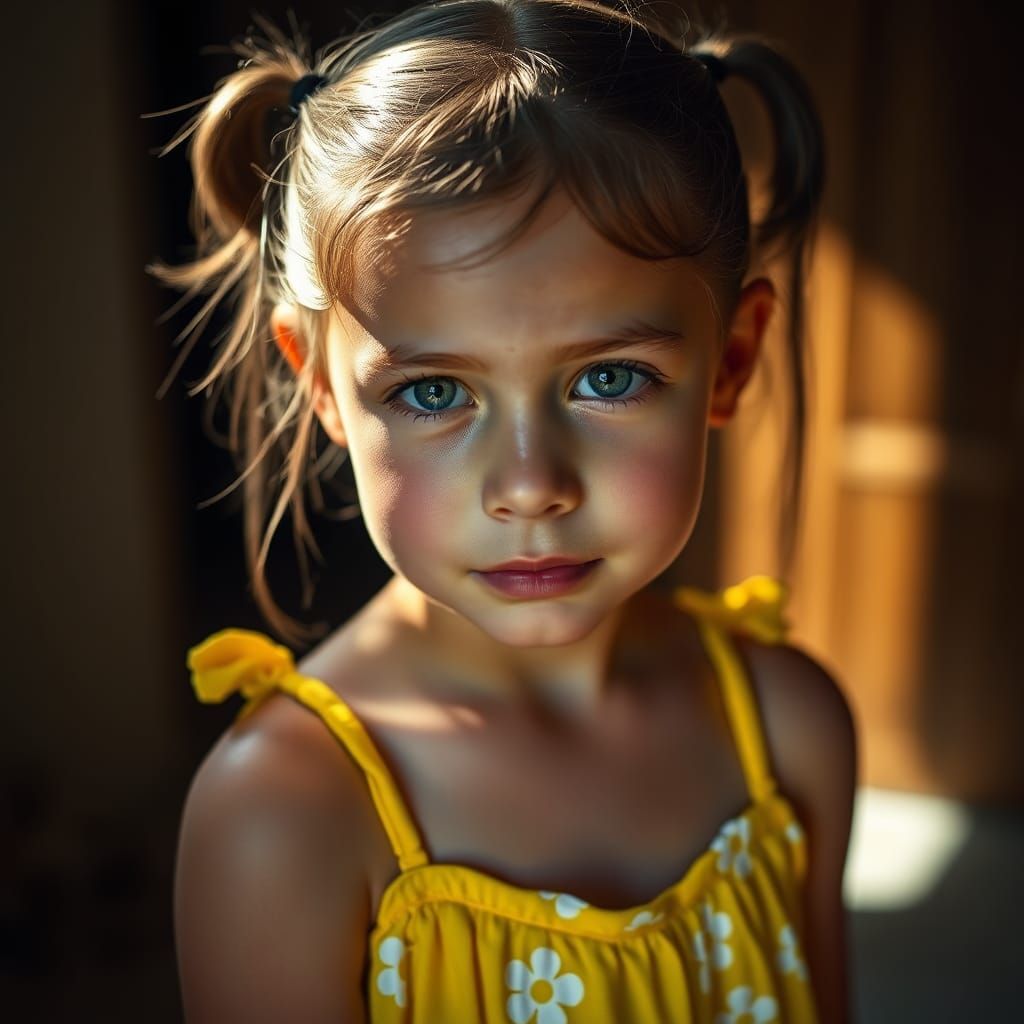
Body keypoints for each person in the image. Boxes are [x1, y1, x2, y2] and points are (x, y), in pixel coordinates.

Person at [153, 1, 857, 1020]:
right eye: (434, 392)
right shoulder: (284, 816)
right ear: (320, 386)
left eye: (609, 378)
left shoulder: (788, 734)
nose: (529, 485)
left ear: (730, 361)